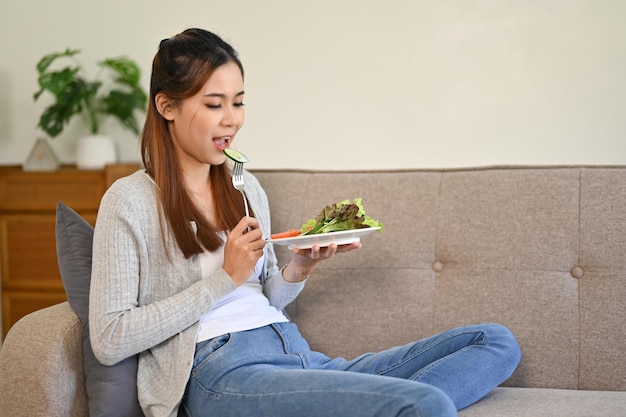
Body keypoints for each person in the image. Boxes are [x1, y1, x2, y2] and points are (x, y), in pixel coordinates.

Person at [89, 28, 521, 417]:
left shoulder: (244, 187)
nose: (232, 119)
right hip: (223, 373)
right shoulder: (129, 201)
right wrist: (223, 279)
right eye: (214, 104)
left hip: (294, 353)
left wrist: (299, 269)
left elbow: (265, 297)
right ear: (167, 105)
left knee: (495, 341)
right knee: (427, 403)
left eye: (238, 103)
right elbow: (109, 339)